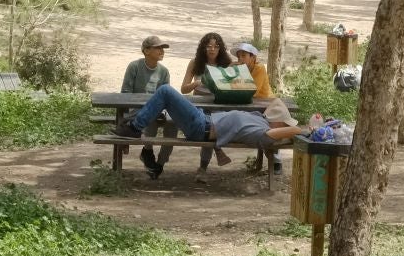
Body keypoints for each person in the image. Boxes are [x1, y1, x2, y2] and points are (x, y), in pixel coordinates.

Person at [116, 84, 315, 179]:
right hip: (202, 120)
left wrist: (297, 129)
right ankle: (133, 125)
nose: (284, 126)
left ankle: (134, 127)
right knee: (165, 94)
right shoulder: (260, 119)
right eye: (284, 123)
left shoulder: (261, 131)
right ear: (277, 121)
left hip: (201, 126)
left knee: (165, 91)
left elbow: (269, 137)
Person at [180, 33, 236, 170]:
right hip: (199, 104)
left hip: (218, 103)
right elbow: (183, 89)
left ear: (220, 48)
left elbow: (234, 84)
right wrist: (196, 84)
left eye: (216, 46)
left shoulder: (226, 62)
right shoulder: (195, 62)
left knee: (214, 125)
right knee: (210, 127)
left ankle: (203, 167)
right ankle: (215, 153)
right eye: (209, 46)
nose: (212, 49)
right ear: (203, 48)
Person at [121, 36, 174, 177]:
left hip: (157, 111)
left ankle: (160, 163)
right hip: (137, 111)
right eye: (158, 48)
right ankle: (148, 151)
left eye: (163, 48)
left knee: (173, 124)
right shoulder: (134, 66)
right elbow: (125, 93)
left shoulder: (164, 71)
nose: (162, 51)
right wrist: (124, 119)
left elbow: (166, 96)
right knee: (150, 118)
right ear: (146, 51)